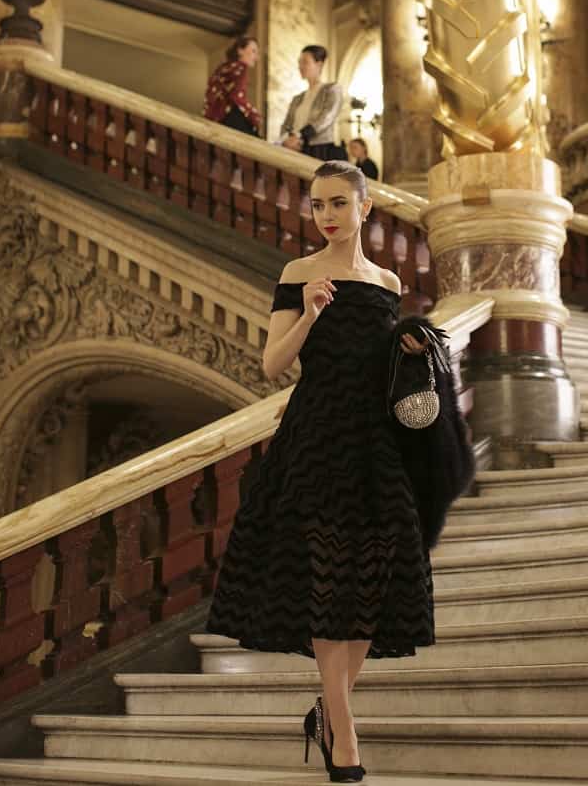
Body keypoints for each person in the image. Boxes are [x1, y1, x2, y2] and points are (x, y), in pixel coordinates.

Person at [206, 161, 433, 783]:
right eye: (316, 206)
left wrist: (407, 348)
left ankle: (329, 710)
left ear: (365, 209)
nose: (326, 215)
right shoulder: (297, 273)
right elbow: (273, 364)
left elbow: (381, 368)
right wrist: (307, 315)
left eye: (338, 203)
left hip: (376, 443)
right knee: (329, 582)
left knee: (378, 573)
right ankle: (344, 728)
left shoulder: (387, 282)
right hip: (318, 438)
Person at [280, 45, 346, 160]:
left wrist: (300, 136)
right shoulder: (297, 98)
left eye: (305, 62)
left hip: (319, 150)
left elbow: (326, 118)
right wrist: (286, 140)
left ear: (319, 65)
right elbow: (286, 124)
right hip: (294, 150)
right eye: (299, 62)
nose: (300, 66)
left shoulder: (332, 89)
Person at [203, 33, 261, 136]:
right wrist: (253, 114)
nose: (256, 57)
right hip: (231, 119)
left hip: (216, 119)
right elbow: (236, 97)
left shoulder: (223, 68)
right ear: (240, 50)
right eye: (253, 51)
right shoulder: (241, 68)